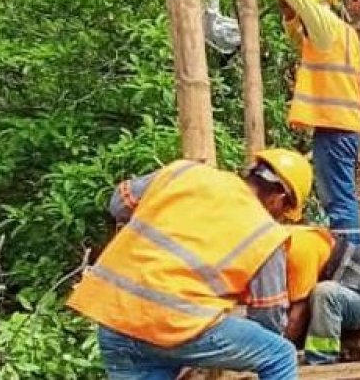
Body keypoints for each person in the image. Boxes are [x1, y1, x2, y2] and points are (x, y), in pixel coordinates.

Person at [67, 149, 313, 380]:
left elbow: (119, 203)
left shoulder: (187, 172)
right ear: (280, 199)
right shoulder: (265, 234)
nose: (280, 218)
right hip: (175, 324)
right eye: (285, 212)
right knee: (280, 355)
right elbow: (268, 316)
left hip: (115, 315)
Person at [257, 0, 360, 248]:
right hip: (341, 126)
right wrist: (289, 14)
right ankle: (353, 257)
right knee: (340, 196)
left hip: (335, 127)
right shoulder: (342, 35)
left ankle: (352, 261)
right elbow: (299, 37)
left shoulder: (325, 28)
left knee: (338, 200)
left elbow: (299, 0)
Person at [282, 225, 360, 365]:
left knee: (325, 292)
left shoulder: (297, 249)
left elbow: (297, 315)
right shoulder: (280, 243)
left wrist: (274, 351)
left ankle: (322, 360)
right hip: (330, 304)